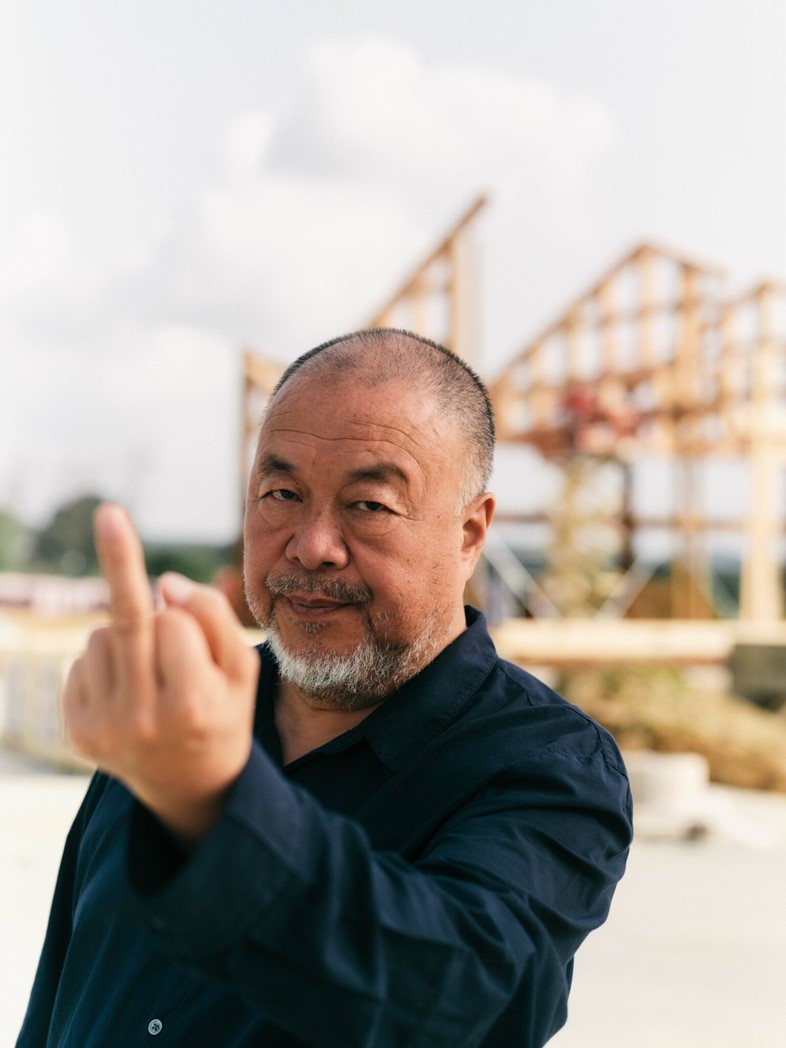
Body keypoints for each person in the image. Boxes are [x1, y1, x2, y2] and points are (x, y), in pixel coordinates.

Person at [18, 329, 632, 1047]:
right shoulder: (185, 714)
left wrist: (217, 807)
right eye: (282, 493)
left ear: (469, 534)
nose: (312, 545)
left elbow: (462, 997)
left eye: (368, 505)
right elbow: (60, 997)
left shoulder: (546, 767)